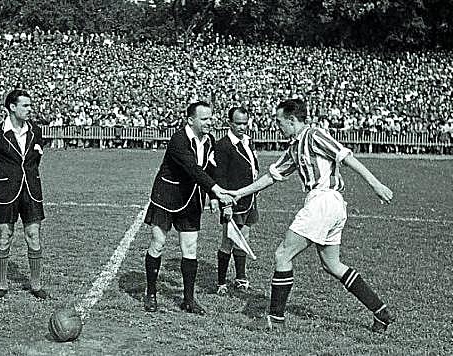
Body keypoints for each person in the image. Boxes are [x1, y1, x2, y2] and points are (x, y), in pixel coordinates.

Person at [229, 98, 395, 332]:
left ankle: (275, 319)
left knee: (283, 254)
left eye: (279, 121)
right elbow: (272, 176)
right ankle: (380, 311)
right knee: (332, 264)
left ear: (291, 120)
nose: (277, 126)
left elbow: (345, 157)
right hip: (331, 205)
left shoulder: (314, 135)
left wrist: (375, 184)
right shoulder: (295, 146)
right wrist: (239, 193)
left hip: (324, 201)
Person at [143, 101, 234, 315]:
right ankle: (151, 293)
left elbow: (210, 169)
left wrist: (213, 196)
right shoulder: (178, 140)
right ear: (191, 120)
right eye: (204, 119)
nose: (209, 122)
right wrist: (218, 190)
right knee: (158, 244)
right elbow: (192, 169)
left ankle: (189, 299)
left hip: (191, 199)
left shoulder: (209, 140)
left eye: (210, 118)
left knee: (190, 248)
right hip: (166, 197)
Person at [0, 89, 48, 300]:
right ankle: (2, 284)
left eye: (30, 105)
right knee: (5, 235)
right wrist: (2, 184)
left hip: (32, 191)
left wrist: (28, 177)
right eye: (25, 105)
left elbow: (35, 159)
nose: (30, 109)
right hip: (7, 193)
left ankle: (36, 284)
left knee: (34, 235)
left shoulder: (35, 131)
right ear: (12, 107)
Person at [211, 106, 259, 295]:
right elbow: (220, 177)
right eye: (238, 123)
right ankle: (221, 282)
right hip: (233, 200)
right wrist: (226, 204)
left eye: (245, 123)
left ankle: (241, 278)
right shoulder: (223, 146)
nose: (242, 127)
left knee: (244, 238)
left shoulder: (248, 141)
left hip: (249, 198)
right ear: (229, 123)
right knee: (228, 240)